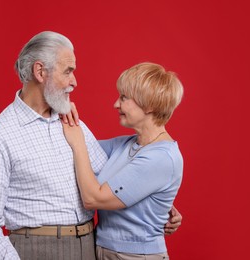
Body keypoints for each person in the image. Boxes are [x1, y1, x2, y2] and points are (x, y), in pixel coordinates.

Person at [0, 31, 182, 260]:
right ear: (40, 72)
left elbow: (112, 177)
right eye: (68, 71)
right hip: (36, 250)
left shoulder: (73, 125)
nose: (75, 81)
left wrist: (157, 207)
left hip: (89, 246)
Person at [62, 62, 184, 259]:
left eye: (124, 98)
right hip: (103, 250)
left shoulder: (162, 157)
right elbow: (66, 148)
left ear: (150, 104)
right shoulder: (124, 145)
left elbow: (93, 198)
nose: (116, 104)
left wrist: (77, 143)